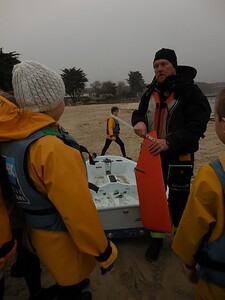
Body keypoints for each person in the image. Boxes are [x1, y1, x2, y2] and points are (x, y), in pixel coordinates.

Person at [0, 61, 117, 300]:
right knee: (71, 282)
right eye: (62, 97)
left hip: (33, 234)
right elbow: (78, 212)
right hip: (62, 240)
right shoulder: (52, 148)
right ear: (52, 102)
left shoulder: (12, 139)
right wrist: (104, 251)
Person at [131, 48, 211, 261]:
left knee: (179, 201)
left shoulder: (191, 92)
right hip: (152, 156)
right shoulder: (150, 91)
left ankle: (180, 238)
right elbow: (139, 113)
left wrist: (169, 142)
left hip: (179, 155)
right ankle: (156, 238)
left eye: (164, 64)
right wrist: (138, 121)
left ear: (174, 66)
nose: (159, 69)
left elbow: (198, 125)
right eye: (156, 66)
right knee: (155, 199)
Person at [172, 88, 225, 299]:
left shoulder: (212, 176)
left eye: (215, 119)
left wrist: (189, 264)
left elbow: (192, 231)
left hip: (217, 285)